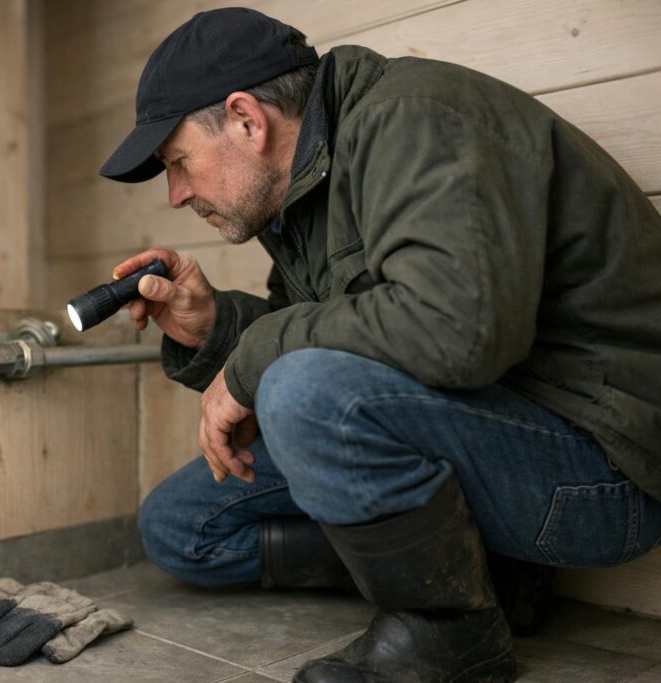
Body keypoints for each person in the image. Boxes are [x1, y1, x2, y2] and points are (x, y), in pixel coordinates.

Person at [98, 7, 661, 683]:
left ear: (247, 119)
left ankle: (450, 633)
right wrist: (213, 323)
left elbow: (458, 332)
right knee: (180, 526)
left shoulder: (418, 119)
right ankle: (479, 575)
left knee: (299, 388)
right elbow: (332, 338)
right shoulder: (300, 199)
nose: (176, 193)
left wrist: (259, 355)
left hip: (601, 469)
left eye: (179, 162)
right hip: (479, 432)